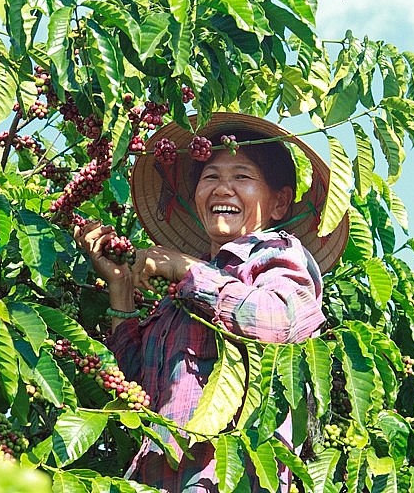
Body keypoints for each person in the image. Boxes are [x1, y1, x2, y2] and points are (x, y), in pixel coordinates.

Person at [74, 113, 349, 492]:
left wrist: (186, 270)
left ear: (279, 202)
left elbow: (279, 320)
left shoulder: (277, 253)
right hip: (159, 477)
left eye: (242, 176)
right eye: (210, 177)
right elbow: (135, 388)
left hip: (231, 476)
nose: (223, 188)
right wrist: (120, 288)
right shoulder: (178, 296)